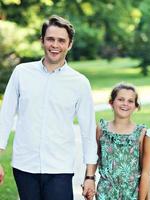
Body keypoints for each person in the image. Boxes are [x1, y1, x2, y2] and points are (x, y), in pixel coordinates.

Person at [0, 15, 97, 200]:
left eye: (61, 40)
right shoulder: (22, 73)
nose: (55, 45)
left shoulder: (79, 83)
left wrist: (90, 176)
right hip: (24, 166)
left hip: (60, 168)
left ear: (69, 44)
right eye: (50, 39)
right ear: (42, 41)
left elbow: (88, 131)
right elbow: (5, 117)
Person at [94, 83, 146, 200]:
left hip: (132, 192)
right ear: (111, 102)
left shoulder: (141, 132)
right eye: (121, 99)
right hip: (105, 191)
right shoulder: (102, 128)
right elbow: (94, 157)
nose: (125, 104)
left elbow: (145, 169)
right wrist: (89, 179)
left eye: (130, 101)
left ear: (136, 106)